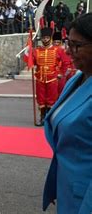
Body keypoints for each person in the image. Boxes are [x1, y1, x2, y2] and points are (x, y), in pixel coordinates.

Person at [42, 13, 92, 214]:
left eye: (77, 45)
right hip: (68, 188)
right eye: (68, 43)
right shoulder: (76, 80)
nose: (69, 51)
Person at [32, 27, 63, 125]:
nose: (45, 40)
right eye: (43, 38)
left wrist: (60, 73)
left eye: (47, 38)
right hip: (40, 78)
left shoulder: (58, 50)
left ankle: (50, 118)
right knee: (41, 99)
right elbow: (31, 62)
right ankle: (42, 118)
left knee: (52, 99)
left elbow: (66, 62)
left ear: (50, 38)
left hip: (52, 78)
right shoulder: (36, 50)